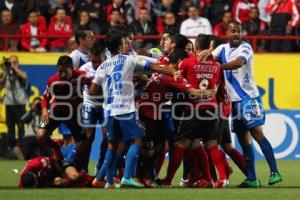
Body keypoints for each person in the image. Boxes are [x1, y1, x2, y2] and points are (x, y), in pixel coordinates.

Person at [90, 33, 180, 189]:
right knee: (137, 139)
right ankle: (126, 177)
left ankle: (109, 182)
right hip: (125, 108)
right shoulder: (129, 59)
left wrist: (108, 91)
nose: (127, 45)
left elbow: (92, 91)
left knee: (113, 145)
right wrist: (173, 72)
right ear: (119, 46)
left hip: (109, 110)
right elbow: (152, 67)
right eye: (124, 43)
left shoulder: (103, 66)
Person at [210, 20, 282, 188]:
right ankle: (252, 178)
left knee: (257, 134)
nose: (236, 34)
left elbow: (238, 63)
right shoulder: (222, 49)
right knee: (243, 140)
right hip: (234, 102)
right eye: (232, 31)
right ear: (226, 33)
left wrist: (218, 67)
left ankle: (274, 172)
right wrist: (206, 53)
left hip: (249, 98)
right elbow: (207, 60)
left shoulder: (245, 47)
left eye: (238, 31)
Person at [38, 55, 90, 166]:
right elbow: (45, 98)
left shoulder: (81, 76)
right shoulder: (53, 80)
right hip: (56, 111)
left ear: (72, 68)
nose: (61, 74)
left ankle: (69, 161)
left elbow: (94, 85)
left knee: (83, 141)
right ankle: (57, 147)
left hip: (74, 113)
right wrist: (44, 110)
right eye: (59, 71)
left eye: (64, 71)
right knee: (41, 136)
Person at [79, 42, 107, 173]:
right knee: (88, 137)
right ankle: (83, 168)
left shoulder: (108, 67)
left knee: (107, 137)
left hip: (105, 104)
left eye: (98, 61)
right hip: (89, 103)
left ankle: (100, 166)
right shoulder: (84, 68)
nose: (96, 64)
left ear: (104, 57)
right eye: (93, 61)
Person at [0, 55, 28, 157]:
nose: (12, 64)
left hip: (20, 104)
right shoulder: (6, 74)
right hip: (9, 104)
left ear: (18, 63)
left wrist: (14, 68)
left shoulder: (21, 73)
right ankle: (12, 151)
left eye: (15, 62)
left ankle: (22, 149)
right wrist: (5, 74)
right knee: (10, 128)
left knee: (21, 127)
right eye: (11, 62)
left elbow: (25, 77)